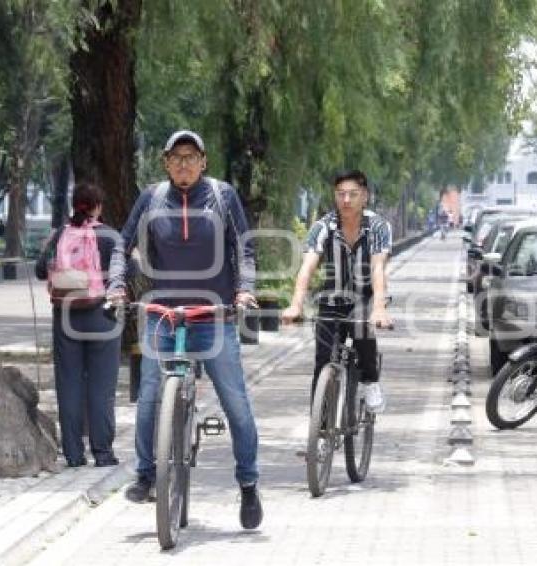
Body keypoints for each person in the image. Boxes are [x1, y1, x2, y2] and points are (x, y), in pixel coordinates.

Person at [107, 130, 263, 530]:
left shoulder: (223, 196)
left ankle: (248, 482)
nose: (183, 163)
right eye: (175, 157)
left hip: (215, 316)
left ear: (203, 161)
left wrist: (245, 291)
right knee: (149, 395)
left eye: (190, 156)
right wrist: (116, 286)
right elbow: (121, 246)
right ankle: (145, 474)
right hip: (163, 313)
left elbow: (244, 249)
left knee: (236, 403)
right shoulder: (152, 197)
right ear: (165, 163)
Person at [281, 169, 394, 413]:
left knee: (361, 326)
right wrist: (296, 305)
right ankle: (320, 430)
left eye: (352, 194)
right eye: (341, 194)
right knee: (322, 360)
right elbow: (307, 268)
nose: (346, 200)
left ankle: (370, 382)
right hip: (332, 297)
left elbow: (378, 268)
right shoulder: (323, 227)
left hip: (366, 296)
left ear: (364, 196)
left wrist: (379, 308)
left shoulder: (378, 226)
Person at [36, 183, 121, 468]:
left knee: (69, 384)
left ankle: (73, 454)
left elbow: (39, 270)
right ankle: (103, 453)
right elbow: (130, 273)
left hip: (66, 317)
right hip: (103, 318)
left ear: (75, 204)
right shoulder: (110, 236)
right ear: (97, 207)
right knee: (101, 386)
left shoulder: (60, 234)